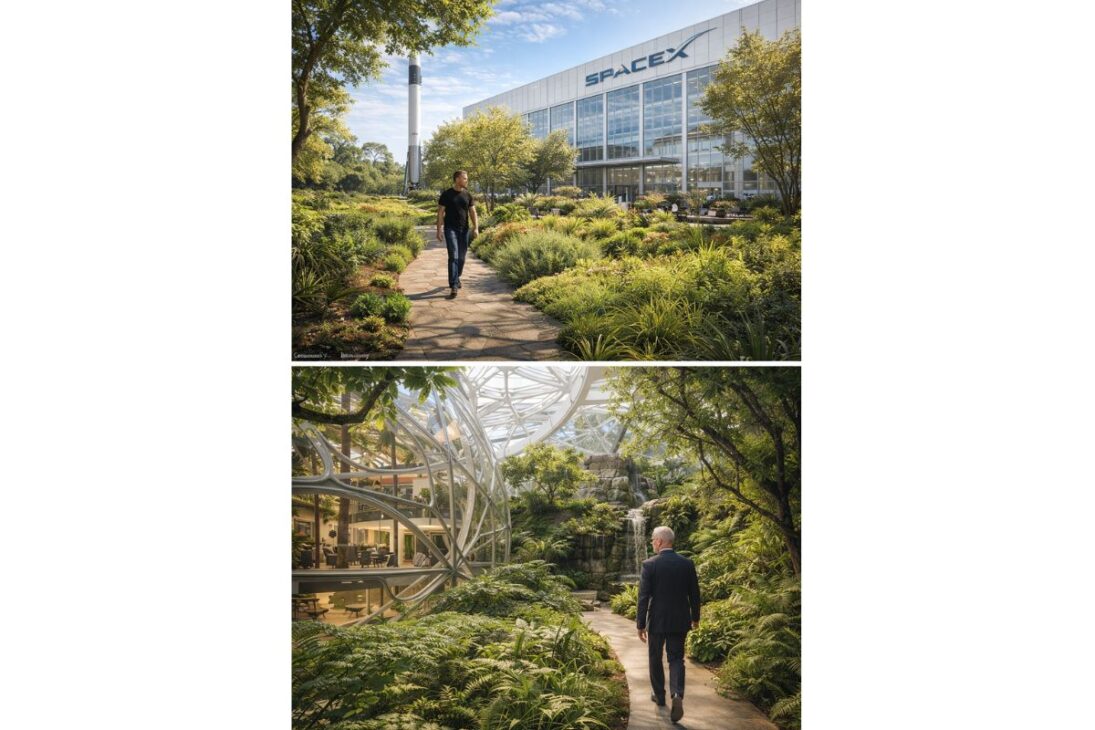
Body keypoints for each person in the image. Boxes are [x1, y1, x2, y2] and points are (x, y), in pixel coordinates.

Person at [637, 525, 701, 724]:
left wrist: (640, 624)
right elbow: (695, 594)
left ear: (659, 541)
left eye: (653, 540)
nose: (652, 543)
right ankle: (677, 695)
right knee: (676, 659)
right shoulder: (687, 563)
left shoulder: (650, 564)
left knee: (655, 657)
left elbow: (643, 597)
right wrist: (695, 617)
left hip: (657, 620)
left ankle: (660, 695)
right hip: (680, 620)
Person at [436, 170, 479, 298]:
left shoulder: (467, 195)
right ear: (457, 179)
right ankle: (454, 285)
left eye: (466, 178)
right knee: (453, 256)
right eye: (465, 178)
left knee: (461, 258)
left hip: (464, 230)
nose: (467, 180)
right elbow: (440, 213)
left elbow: (473, 212)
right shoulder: (446, 194)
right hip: (450, 229)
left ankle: (457, 276)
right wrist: (439, 230)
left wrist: (476, 228)